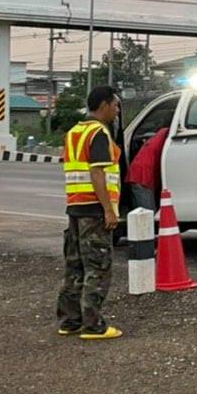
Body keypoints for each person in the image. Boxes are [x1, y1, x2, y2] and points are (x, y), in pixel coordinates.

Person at [58, 85, 124, 340]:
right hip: (94, 210)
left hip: (75, 207)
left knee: (74, 267)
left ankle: (69, 321)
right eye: (115, 105)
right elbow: (97, 172)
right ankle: (93, 325)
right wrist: (108, 210)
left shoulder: (74, 132)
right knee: (97, 266)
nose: (117, 111)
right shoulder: (98, 133)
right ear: (104, 105)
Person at [125, 125, 169, 215]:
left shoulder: (161, 134)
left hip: (139, 173)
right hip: (142, 176)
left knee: (144, 213)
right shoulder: (168, 136)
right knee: (147, 215)